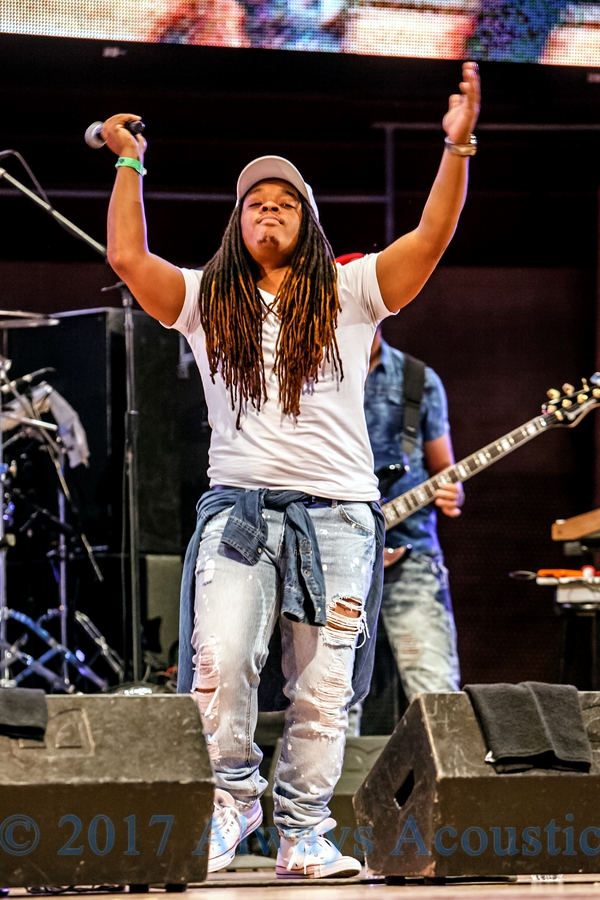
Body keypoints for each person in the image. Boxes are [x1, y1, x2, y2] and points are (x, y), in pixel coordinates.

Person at [102, 60, 480, 880]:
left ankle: (305, 830)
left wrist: (457, 149)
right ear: (236, 224)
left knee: (325, 684)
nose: (269, 210)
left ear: (308, 223)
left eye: (285, 202)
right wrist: (129, 163)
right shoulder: (207, 300)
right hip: (239, 514)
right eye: (255, 203)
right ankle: (233, 800)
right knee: (220, 663)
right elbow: (129, 257)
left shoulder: (350, 292)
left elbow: (431, 238)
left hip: (339, 517)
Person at [361, 327, 463, 727]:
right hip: (332, 555)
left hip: (411, 548)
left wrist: (454, 491)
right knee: (329, 700)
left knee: (436, 695)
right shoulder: (311, 375)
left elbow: (444, 468)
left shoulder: (417, 378)